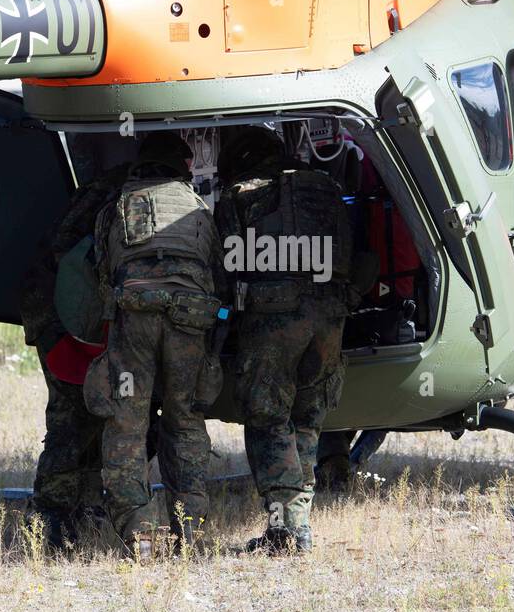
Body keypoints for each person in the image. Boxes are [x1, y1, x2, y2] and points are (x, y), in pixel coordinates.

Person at [214, 127, 355, 553]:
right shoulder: (325, 189)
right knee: (308, 418)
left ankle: (284, 527)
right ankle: (298, 524)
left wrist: (223, 318)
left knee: (269, 420)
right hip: (329, 316)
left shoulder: (239, 196)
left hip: (273, 320)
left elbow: (223, 269)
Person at [87, 132, 226, 559]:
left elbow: (102, 270)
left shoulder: (118, 205)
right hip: (190, 319)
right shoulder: (199, 208)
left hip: (136, 319)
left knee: (128, 421)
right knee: (184, 420)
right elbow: (217, 269)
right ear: (181, 166)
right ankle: (193, 533)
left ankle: (140, 534)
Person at [19, 161, 130, 549]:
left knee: (94, 414)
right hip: (62, 320)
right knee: (69, 421)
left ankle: (83, 508)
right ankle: (48, 517)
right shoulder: (121, 200)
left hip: (66, 315)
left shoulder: (103, 192)